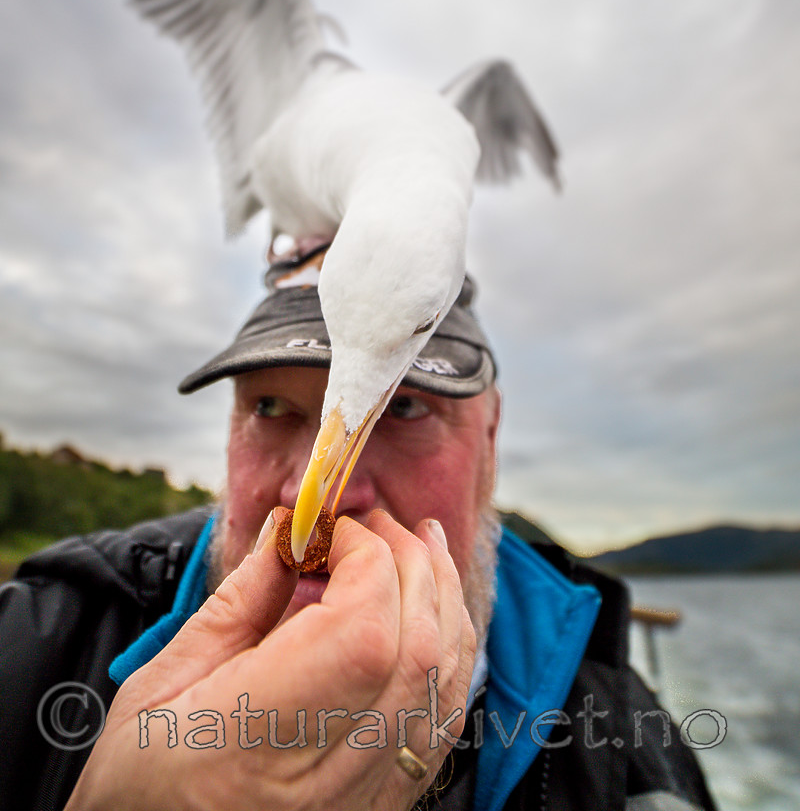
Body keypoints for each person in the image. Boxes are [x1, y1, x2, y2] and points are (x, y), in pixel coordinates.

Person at [0, 246, 717, 811]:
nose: (318, 496)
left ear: (490, 441)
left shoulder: (627, 745)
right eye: (272, 407)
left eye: (402, 410)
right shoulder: (41, 639)